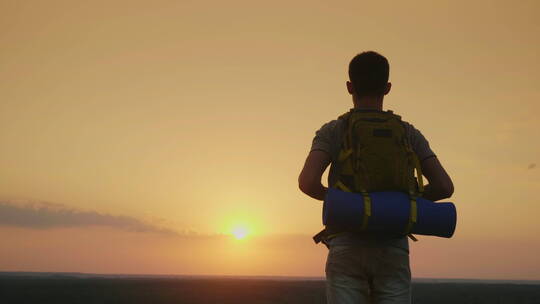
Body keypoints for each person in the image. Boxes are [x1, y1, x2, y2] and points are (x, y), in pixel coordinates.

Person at [298, 51, 454, 304]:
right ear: (388, 87)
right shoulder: (408, 133)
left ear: (350, 86)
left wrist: (348, 204)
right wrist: (398, 203)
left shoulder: (333, 130)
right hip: (392, 246)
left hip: (346, 242)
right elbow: (445, 186)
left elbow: (307, 182)